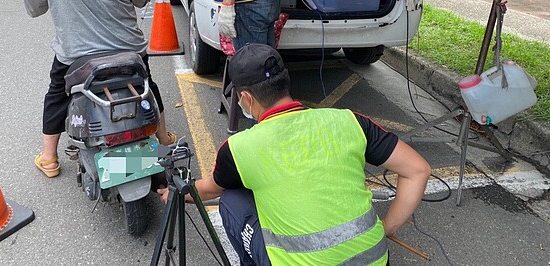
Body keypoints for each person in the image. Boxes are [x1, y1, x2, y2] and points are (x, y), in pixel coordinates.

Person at [158, 44, 432, 265]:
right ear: (285, 83)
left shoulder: (240, 148)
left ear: (246, 99)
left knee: (231, 198)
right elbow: (418, 170)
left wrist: (177, 193)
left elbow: (207, 191)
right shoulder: (350, 121)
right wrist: (387, 228)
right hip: (374, 259)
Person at [24, 0, 177, 178]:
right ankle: (163, 138)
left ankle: (49, 158)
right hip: (127, 55)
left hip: (74, 57)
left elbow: (34, 5)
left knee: (57, 94)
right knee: (147, 87)